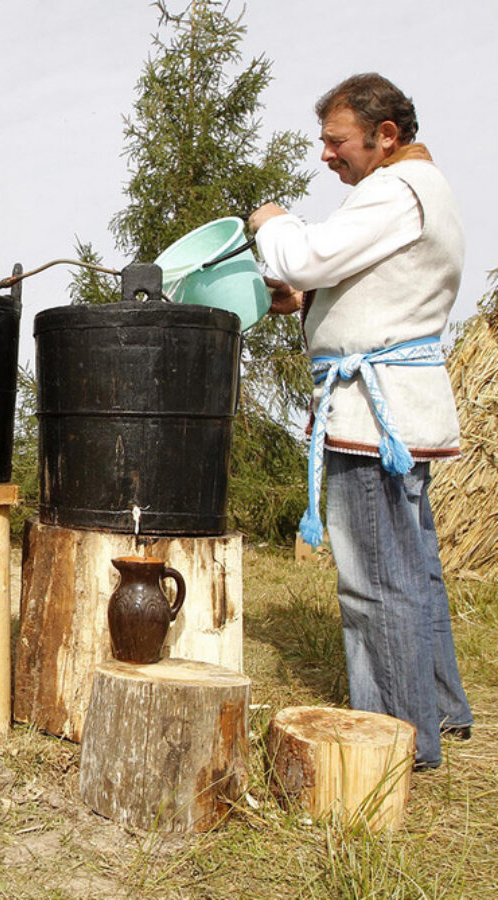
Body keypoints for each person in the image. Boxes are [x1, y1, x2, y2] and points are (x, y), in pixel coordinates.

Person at [248, 74, 472, 769]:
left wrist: (271, 221)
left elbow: (304, 252)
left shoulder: (396, 190)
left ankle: (395, 744)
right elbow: (368, 285)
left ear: (385, 136)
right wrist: (311, 300)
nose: (326, 155)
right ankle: (435, 712)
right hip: (398, 408)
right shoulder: (417, 191)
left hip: (374, 417)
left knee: (376, 583)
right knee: (413, 571)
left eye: (335, 141)